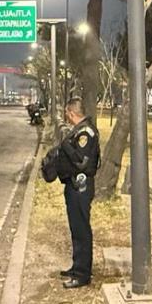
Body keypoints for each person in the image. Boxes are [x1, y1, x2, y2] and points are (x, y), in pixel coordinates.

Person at [56, 98, 99, 289]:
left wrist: (66, 146)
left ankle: (83, 275)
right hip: (73, 186)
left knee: (82, 229)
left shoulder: (86, 132)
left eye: (68, 114)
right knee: (75, 228)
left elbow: (82, 162)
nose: (67, 118)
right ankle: (77, 266)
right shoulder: (79, 130)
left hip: (81, 187)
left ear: (72, 113)